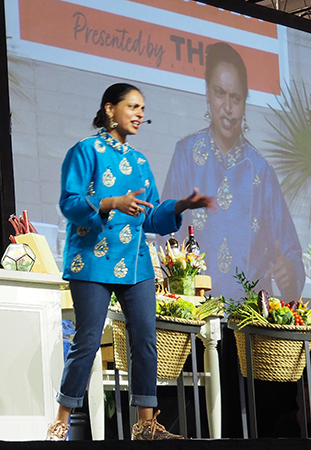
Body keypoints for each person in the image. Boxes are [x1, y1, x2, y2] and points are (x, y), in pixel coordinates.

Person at [46, 83, 214, 441]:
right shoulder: (85, 151)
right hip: (92, 262)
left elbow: (152, 217)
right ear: (110, 109)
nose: (139, 114)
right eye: (132, 106)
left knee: (146, 339)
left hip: (135, 264)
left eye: (142, 108)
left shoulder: (140, 163)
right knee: (88, 339)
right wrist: (111, 203)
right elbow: (69, 203)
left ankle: (145, 424)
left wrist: (180, 206)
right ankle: (61, 419)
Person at [161, 41, 305, 303]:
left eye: (235, 97)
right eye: (219, 93)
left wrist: (289, 273)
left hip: (251, 317)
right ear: (207, 93)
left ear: (245, 100)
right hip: (195, 312)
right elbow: (166, 235)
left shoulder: (261, 171)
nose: (228, 108)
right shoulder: (186, 154)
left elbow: (290, 251)